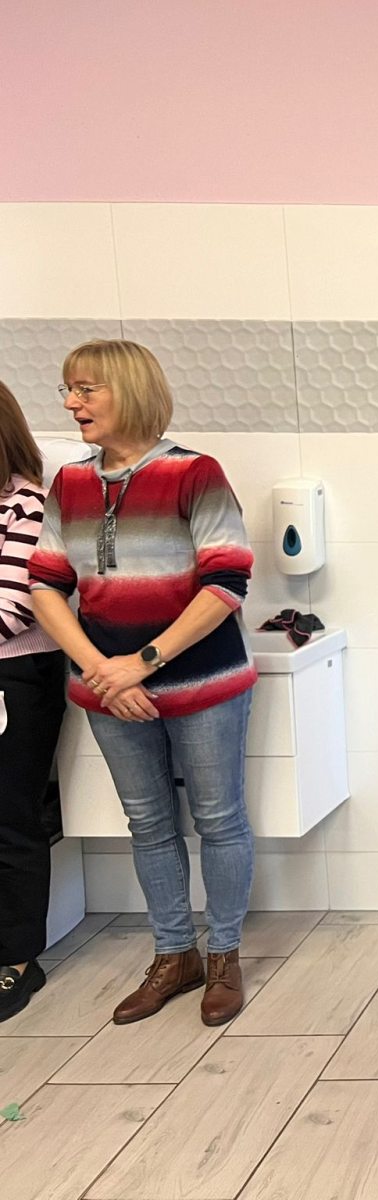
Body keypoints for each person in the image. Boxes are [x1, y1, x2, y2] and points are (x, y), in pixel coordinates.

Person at [29, 340, 258, 1027]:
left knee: (218, 818)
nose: (72, 404)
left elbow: (227, 582)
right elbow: (45, 585)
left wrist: (142, 662)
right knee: (149, 822)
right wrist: (102, 671)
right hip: (109, 691)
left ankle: (223, 955)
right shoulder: (70, 485)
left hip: (202, 682)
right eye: (69, 390)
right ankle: (173, 954)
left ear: (128, 390)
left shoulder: (195, 473)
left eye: (86, 389)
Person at [0, 380, 68, 1023]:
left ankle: (17, 959)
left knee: (9, 816)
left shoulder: (27, 503)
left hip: (17, 675)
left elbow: (16, 604)